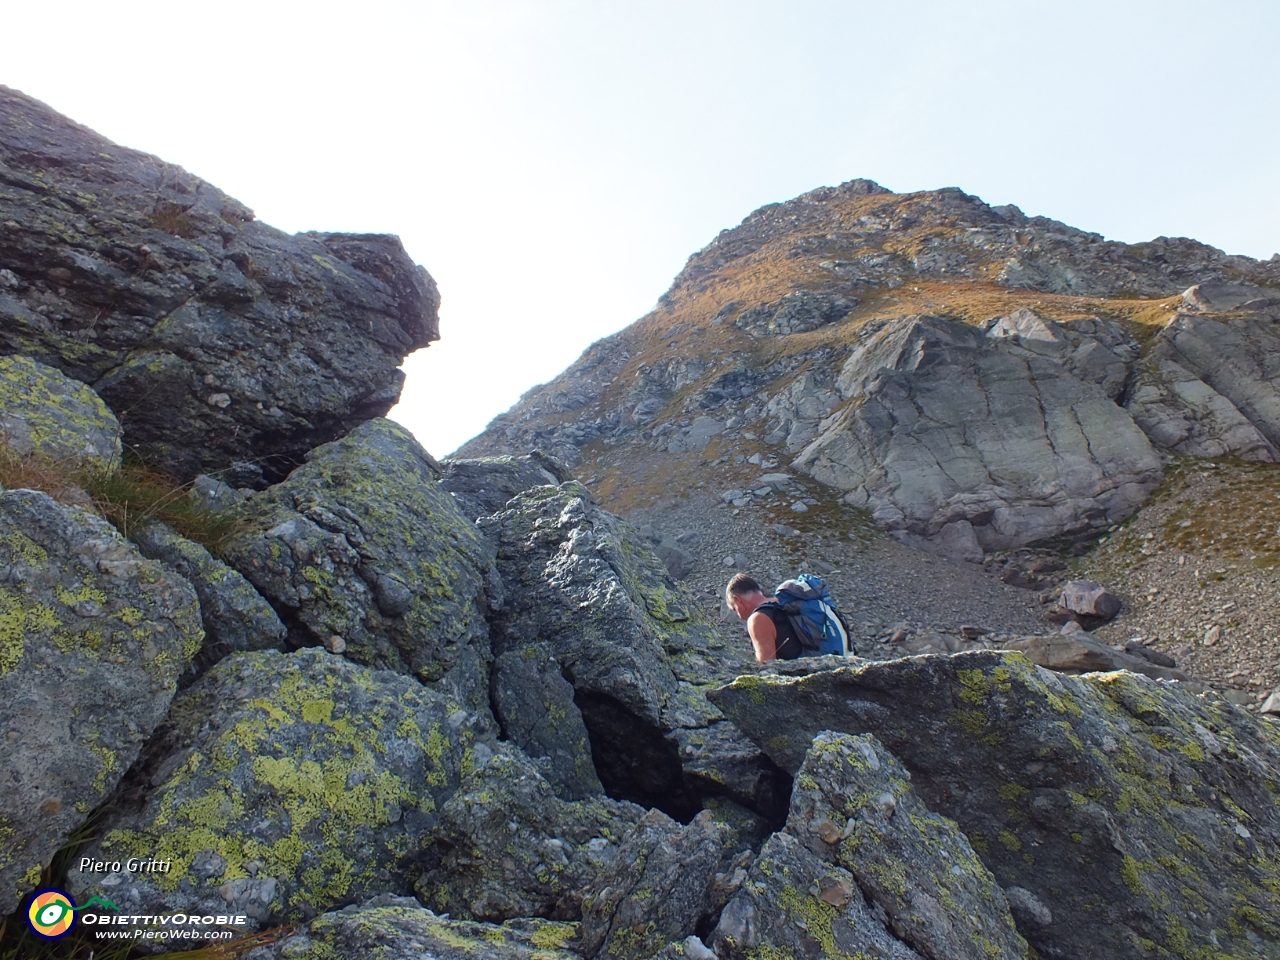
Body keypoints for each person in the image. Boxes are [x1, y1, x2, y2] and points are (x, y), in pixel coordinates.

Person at [724, 573, 802, 662]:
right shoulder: (781, 604)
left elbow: (767, 665)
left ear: (738, 599)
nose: (739, 616)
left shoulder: (758, 619)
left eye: (735, 609)